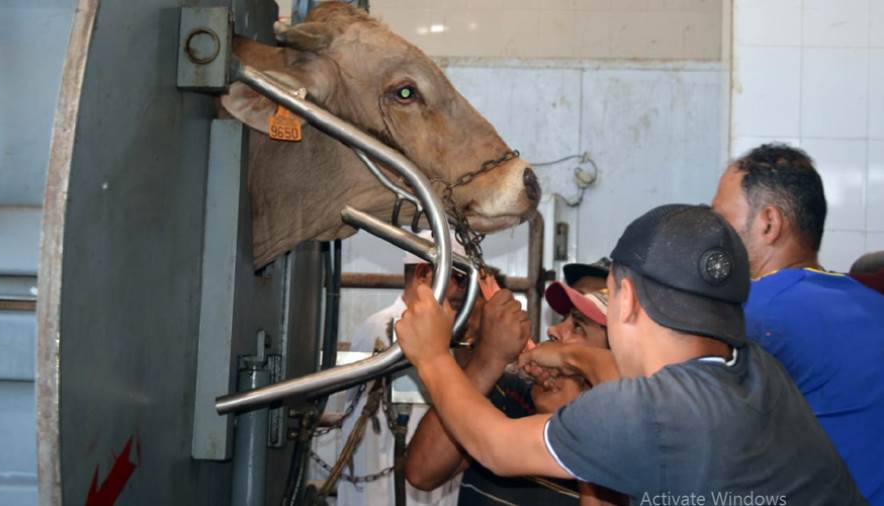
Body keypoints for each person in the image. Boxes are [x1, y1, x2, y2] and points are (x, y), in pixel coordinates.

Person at [396, 204, 865, 505]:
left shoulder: (639, 414)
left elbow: (496, 447)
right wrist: (572, 358)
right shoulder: (758, 370)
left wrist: (433, 356)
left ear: (627, 300)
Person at [712, 144, 884, 504]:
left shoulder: (754, 310)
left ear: (768, 223)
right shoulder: (869, 301)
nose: (713, 236)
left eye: (721, 221)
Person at [406, 281, 622, 505]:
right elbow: (421, 473)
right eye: (563, 319)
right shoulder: (514, 391)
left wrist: (571, 424)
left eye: (578, 326)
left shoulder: (625, 433)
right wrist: (488, 360)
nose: (553, 330)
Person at [330, 233, 469, 506]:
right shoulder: (380, 330)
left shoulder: (439, 334)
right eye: (458, 278)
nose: (463, 290)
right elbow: (371, 439)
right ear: (423, 274)